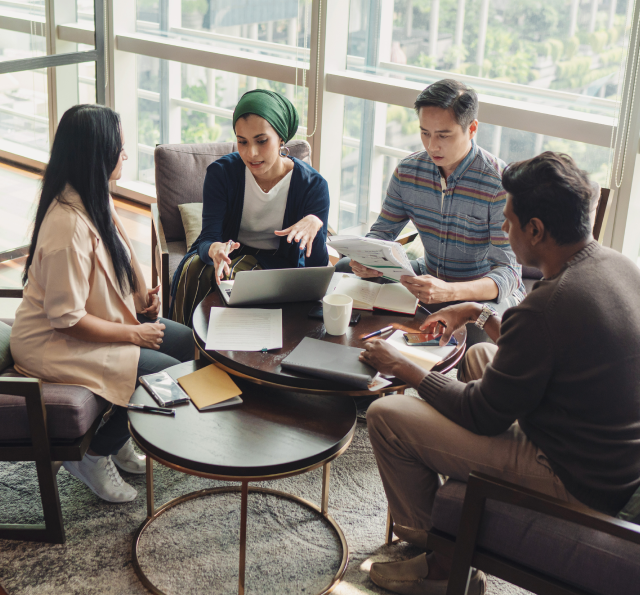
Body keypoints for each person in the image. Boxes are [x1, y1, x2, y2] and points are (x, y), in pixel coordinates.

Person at [358, 152, 640, 595]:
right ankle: (448, 550)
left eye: (508, 223)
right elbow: (551, 347)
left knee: (386, 416)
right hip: (607, 453)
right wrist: (480, 311)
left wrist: (403, 367)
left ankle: (441, 560)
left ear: (536, 230)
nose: (504, 232)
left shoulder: (547, 303)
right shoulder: (616, 265)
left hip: (572, 474)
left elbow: (482, 416)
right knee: (480, 356)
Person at [10, 105, 194, 504]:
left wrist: (144, 301)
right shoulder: (66, 228)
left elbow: (119, 260)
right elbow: (66, 319)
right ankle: (93, 455)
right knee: (162, 376)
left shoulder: (94, 197)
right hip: (55, 343)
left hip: (88, 325)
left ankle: (120, 439)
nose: (125, 156)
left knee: (188, 345)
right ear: (97, 155)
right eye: (120, 148)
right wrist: (134, 333)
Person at [337, 79, 525, 347]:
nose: (432, 145)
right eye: (425, 133)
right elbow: (381, 233)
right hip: (430, 276)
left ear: (471, 129)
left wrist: (449, 292)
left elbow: (508, 272)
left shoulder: (498, 183)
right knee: (345, 269)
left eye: (443, 135)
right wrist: (367, 260)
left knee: (478, 335)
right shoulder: (408, 171)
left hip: (481, 292)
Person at [170, 89, 330, 326]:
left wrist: (316, 225)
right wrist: (214, 249)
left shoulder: (313, 186)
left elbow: (316, 267)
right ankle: (185, 346)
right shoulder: (221, 174)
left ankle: (224, 353)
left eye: (262, 141)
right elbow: (208, 238)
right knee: (195, 268)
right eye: (242, 142)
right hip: (229, 253)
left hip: (276, 266)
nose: (251, 153)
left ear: (281, 139)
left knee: (237, 274)